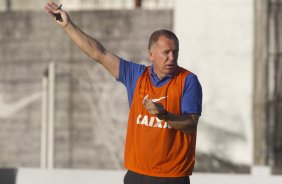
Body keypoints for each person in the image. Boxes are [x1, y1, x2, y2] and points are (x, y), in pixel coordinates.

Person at [44, 2, 202, 184]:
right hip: (137, 174)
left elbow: (191, 123)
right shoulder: (136, 75)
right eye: (166, 52)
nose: (171, 58)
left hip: (172, 177)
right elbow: (99, 53)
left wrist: (164, 114)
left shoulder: (188, 81)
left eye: (175, 52)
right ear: (151, 54)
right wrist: (68, 26)